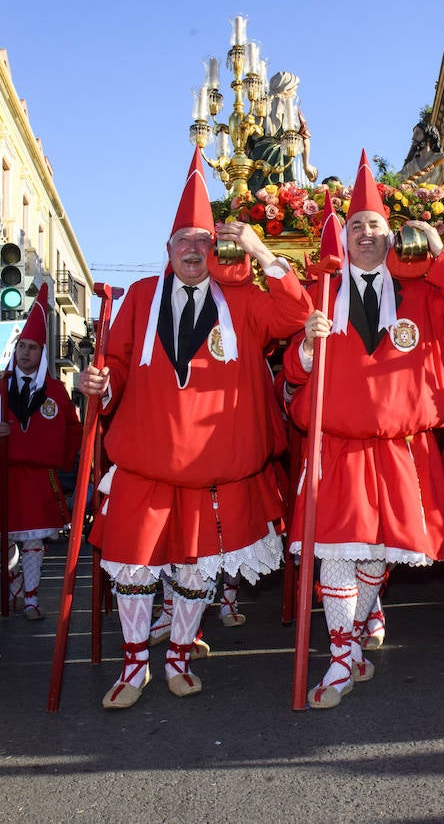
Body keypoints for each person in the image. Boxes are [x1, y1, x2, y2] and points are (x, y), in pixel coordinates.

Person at [78, 152, 311, 709]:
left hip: (213, 471)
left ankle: (179, 656)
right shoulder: (137, 298)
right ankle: (135, 666)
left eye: (203, 242)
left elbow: (296, 316)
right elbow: (112, 372)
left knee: (192, 568)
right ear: (167, 249)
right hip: (143, 465)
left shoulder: (242, 302)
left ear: (217, 251)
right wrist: (96, 387)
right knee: (132, 569)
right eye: (182, 240)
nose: (192, 250)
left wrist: (260, 253)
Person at [283, 151, 444, 709]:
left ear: (391, 235)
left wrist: (440, 252)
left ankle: (354, 633)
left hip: (400, 444)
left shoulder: (420, 292)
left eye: (375, 225)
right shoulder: (320, 293)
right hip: (338, 444)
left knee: (377, 552)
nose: (365, 234)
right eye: (355, 227)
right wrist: (304, 344)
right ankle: (343, 656)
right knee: (338, 551)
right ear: (342, 238)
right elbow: (294, 375)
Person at [0, 285, 80, 620]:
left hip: (37, 476)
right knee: (1, 537)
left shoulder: (56, 391)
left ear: (42, 353)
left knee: (33, 540)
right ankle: (13, 579)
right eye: (22, 346)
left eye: (32, 348)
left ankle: (30, 598)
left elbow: (73, 429)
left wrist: (62, 460)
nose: (25, 353)